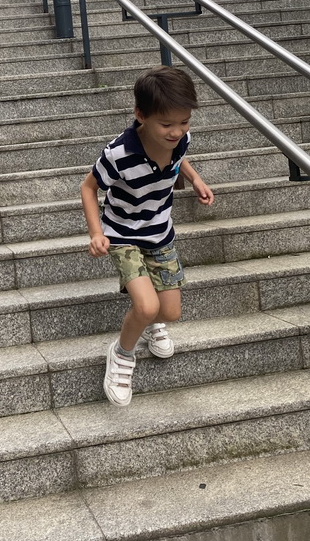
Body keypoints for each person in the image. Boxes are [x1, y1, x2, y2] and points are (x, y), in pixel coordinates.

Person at [80, 66, 214, 407]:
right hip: (122, 234)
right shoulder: (119, 154)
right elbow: (88, 187)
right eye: (166, 124)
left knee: (169, 313)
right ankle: (122, 355)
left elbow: (180, 155)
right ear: (141, 115)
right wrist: (97, 234)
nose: (176, 132)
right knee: (147, 304)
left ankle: (151, 324)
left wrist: (195, 178)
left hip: (160, 232)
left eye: (184, 122)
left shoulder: (181, 139)